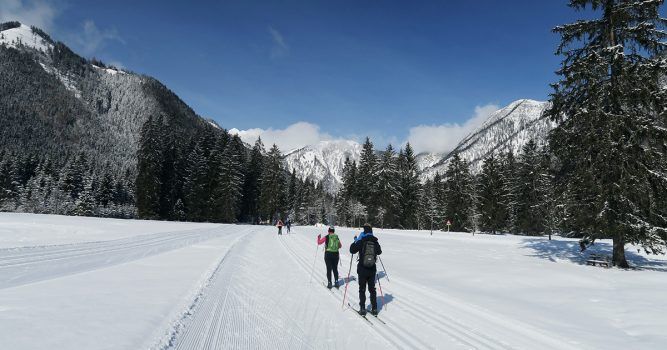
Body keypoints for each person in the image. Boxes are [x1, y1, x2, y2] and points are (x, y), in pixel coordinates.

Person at [349, 223, 382, 316]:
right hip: (372, 269)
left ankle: (362, 308)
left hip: (362, 269)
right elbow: (379, 252)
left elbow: (352, 250)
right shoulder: (375, 241)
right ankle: (374, 308)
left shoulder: (361, 240)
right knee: (372, 289)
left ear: (364, 231)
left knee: (362, 289)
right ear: (371, 231)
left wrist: (355, 242)